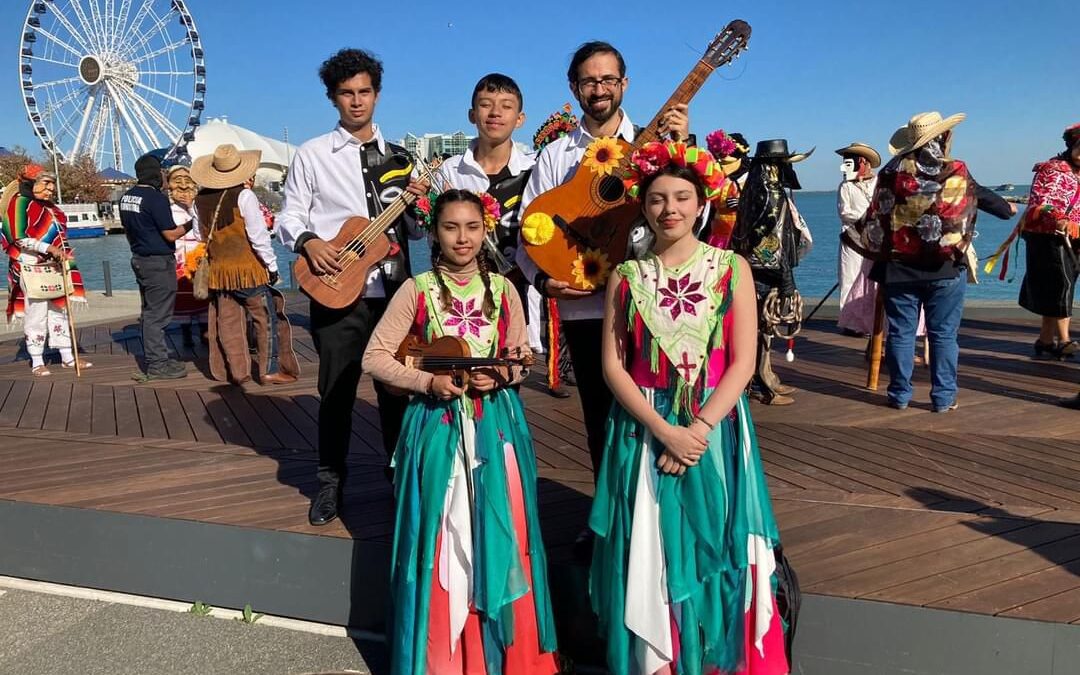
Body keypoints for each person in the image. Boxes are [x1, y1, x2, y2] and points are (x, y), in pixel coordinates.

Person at [590, 141, 789, 675]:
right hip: (643, 426)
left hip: (715, 427)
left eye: (682, 197)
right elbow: (614, 366)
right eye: (657, 199)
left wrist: (696, 429)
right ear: (643, 206)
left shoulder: (731, 267)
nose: (669, 209)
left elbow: (742, 362)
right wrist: (664, 430)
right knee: (650, 543)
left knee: (715, 539)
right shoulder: (626, 276)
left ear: (702, 204)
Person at [362, 189, 558, 674]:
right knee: (443, 536)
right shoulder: (417, 289)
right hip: (438, 428)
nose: (463, 238)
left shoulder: (505, 290)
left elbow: (519, 359)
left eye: (472, 227)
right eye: (451, 227)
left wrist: (504, 375)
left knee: (503, 530)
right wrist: (427, 382)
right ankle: (445, 658)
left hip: (497, 428)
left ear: (485, 230)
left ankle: (502, 656)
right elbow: (375, 357)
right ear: (434, 233)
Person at [517, 41, 690, 481]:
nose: (599, 89)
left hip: (650, 302)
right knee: (598, 417)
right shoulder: (556, 155)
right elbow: (528, 229)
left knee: (661, 409)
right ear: (574, 87)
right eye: (589, 81)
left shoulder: (655, 147)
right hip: (584, 307)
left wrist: (680, 149)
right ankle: (608, 512)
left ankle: (656, 512)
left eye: (608, 79)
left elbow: (693, 218)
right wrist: (542, 282)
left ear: (624, 83)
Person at [277, 48, 426, 525]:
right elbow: (289, 215)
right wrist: (308, 242)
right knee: (337, 391)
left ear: (377, 95)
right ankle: (330, 482)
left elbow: (416, 232)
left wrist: (420, 207)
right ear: (333, 97)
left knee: (397, 390)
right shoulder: (312, 154)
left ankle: (401, 478)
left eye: (365, 91)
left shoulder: (402, 158)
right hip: (336, 289)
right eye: (346, 93)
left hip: (395, 293)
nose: (357, 101)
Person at [858, 112, 983, 412]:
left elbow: (876, 216)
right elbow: (967, 211)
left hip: (898, 266)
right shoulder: (955, 169)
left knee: (901, 333)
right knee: (943, 335)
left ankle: (899, 394)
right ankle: (943, 397)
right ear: (943, 136)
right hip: (945, 266)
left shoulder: (890, 172)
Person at [191, 144, 299, 386]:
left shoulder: (199, 200)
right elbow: (258, 237)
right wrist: (272, 267)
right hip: (247, 272)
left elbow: (199, 235)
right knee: (266, 319)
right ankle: (269, 370)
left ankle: (238, 372)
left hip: (219, 274)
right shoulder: (244, 195)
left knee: (228, 323)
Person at [730, 139, 815, 406]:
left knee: (760, 328)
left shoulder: (755, 188)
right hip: (765, 270)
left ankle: (764, 378)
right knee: (758, 328)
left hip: (754, 266)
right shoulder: (770, 193)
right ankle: (757, 385)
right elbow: (771, 241)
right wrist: (786, 277)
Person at [0, 165, 90, 375]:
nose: (51, 189)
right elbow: (18, 237)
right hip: (30, 266)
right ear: (31, 183)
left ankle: (67, 356)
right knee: (36, 313)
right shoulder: (19, 204)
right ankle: (37, 360)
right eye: (46, 183)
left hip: (54, 266)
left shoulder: (49, 207)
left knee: (60, 309)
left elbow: (57, 233)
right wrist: (48, 248)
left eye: (52, 184)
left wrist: (60, 251)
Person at [120, 153, 191, 381]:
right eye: (162, 171)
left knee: (149, 311)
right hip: (158, 262)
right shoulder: (155, 198)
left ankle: (156, 358)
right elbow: (170, 234)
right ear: (154, 173)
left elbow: (130, 230)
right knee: (157, 315)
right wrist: (192, 223)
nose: (164, 175)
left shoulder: (126, 197)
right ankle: (157, 364)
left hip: (139, 259)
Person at [1017, 123, 1080, 360]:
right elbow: (1041, 201)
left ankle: (1045, 340)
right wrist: (1059, 219)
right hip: (1049, 237)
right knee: (1062, 285)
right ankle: (1064, 340)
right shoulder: (1053, 169)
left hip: (1074, 238)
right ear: (1072, 145)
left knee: (1058, 288)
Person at [835, 142, 881, 337]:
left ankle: (871, 321)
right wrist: (868, 216)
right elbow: (845, 212)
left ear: (862, 161)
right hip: (852, 239)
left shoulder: (878, 182)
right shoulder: (845, 186)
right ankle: (850, 323)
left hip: (874, 240)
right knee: (849, 277)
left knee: (872, 280)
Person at [166, 164, 208, 347]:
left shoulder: (199, 207)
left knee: (202, 295)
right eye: (178, 181)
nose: (183, 186)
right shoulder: (168, 210)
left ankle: (205, 333)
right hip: (179, 260)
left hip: (197, 258)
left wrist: (192, 207)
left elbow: (204, 228)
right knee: (182, 299)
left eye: (187, 181)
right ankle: (186, 335)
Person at [703, 129, 750, 248]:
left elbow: (758, 202)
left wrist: (742, 204)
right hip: (717, 233)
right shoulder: (717, 178)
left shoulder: (750, 179)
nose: (719, 162)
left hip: (740, 233)